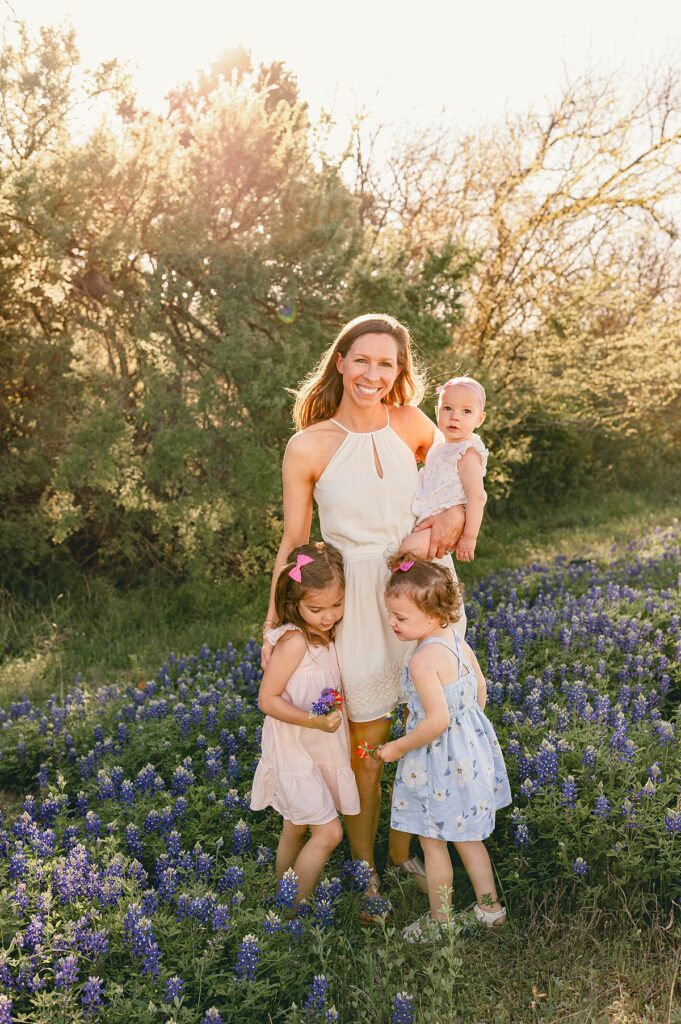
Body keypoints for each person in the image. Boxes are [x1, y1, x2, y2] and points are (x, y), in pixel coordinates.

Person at [261, 313, 466, 916]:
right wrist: (275, 623)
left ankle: (407, 851)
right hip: (354, 595)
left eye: (386, 363)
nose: (372, 373)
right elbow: (294, 541)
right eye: (362, 360)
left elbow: (459, 475)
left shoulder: (412, 424)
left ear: (399, 372)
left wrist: (451, 523)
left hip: (419, 587)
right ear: (341, 363)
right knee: (366, 746)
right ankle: (366, 867)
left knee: (433, 720)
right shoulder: (309, 445)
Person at [376, 555, 511, 942]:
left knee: (432, 841)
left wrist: (397, 748)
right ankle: (490, 908)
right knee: (469, 838)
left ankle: (441, 920)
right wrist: (467, 738)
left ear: (433, 615)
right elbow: (480, 688)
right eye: (390, 613)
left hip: (435, 764)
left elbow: (435, 722)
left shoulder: (422, 660)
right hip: (468, 755)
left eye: (400, 617)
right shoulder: (455, 640)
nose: (392, 622)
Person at [251, 542, 360, 904]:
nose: (328, 616)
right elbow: (267, 700)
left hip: (317, 747)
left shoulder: (327, 634)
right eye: (316, 608)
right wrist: (313, 720)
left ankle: (281, 891)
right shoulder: (295, 641)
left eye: (336, 605)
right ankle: (289, 910)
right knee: (328, 833)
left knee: (296, 826)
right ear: (293, 603)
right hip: (297, 748)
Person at [399, 376, 488, 563]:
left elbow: (477, 497)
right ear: (437, 412)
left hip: (440, 521)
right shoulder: (440, 443)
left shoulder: (467, 453)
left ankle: (400, 581)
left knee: (407, 555)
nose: (455, 416)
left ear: (479, 419)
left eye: (466, 411)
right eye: (447, 408)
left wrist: (469, 537)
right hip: (425, 516)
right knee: (408, 558)